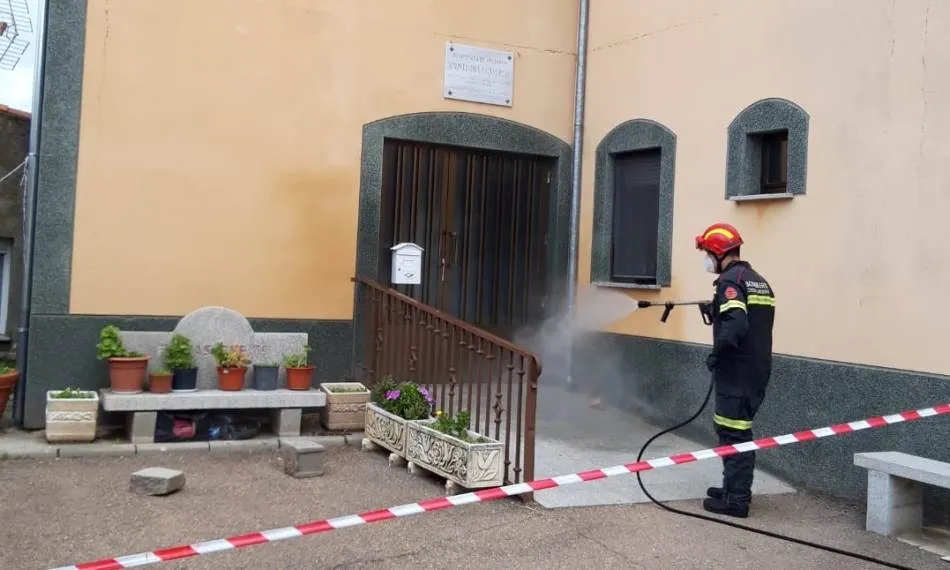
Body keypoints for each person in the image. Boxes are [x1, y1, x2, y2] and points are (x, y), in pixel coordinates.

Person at [695, 222, 775, 518]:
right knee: (733, 428)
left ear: (718, 252)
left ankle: (737, 500)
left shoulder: (730, 282)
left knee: (734, 432)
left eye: (706, 252)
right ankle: (733, 488)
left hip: (737, 370)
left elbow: (737, 326)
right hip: (754, 369)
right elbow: (748, 318)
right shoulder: (756, 280)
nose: (705, 259)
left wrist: (718, 352)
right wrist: (715, 311)